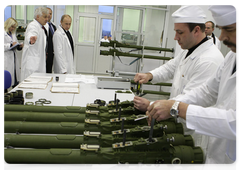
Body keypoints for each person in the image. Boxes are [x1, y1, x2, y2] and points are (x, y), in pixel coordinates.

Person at [146, 0, 240, 169]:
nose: (221, 37)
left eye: (229, 29)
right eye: (221, 29)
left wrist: (177, 108)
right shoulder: (232, 57)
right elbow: (207, 91)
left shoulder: (212, 59)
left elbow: (236, 123)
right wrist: (171, 104)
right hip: (215, 155)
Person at [21, 7, 48, 81]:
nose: (47, 19)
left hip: (38, 63)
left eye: (47, 17)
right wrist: (31, 39)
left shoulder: (41, 27)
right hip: (33, 65)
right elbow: (32, 33)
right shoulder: (33, 25)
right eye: (44, 17)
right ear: (38, 17)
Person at [0, 17, 23, 94]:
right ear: (7, 25)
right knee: (6, 78)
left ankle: (14, 93)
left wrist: (19, 46)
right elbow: (0, 46)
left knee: (15, 77)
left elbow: (15, 43)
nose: (13, 29)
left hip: (13, 57)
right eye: (12, 26)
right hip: (5, 57)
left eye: (14, 27)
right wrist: (10, 45)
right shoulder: (1, 32)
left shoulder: (12, 34)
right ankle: (5, 94)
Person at [46, 7, 56, 73]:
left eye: (50, 13)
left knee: (50, 69)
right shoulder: (43, 26)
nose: (49, 15)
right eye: (48, 13)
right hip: (46, 52)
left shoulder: (53, 26)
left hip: (52, 52)